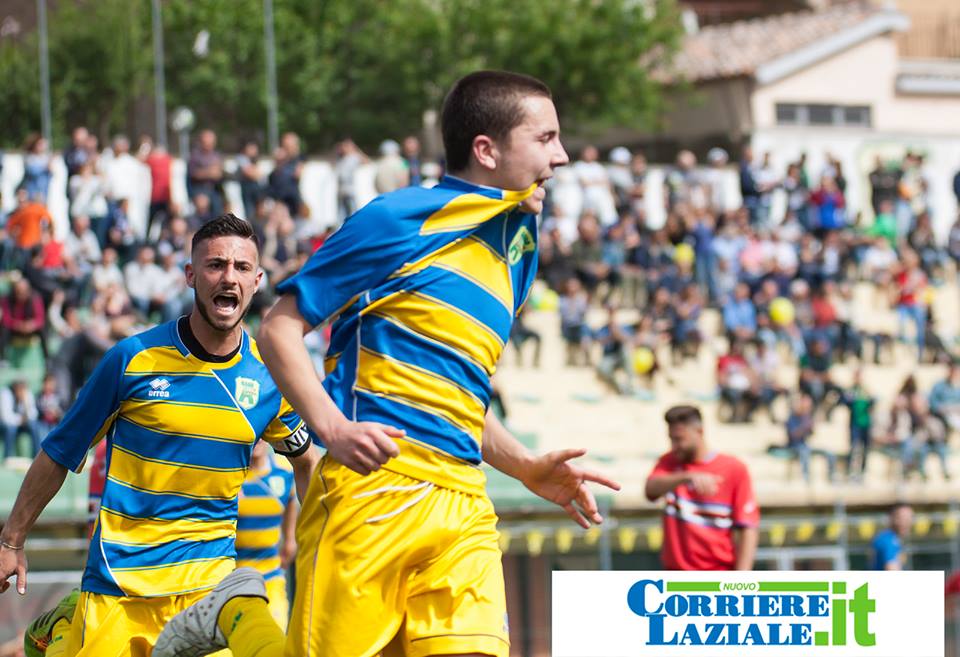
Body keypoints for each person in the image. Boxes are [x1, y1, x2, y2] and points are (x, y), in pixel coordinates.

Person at [155, 69, 619, 657]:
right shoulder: (398, 219)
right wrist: (332, 428)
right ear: (488, 150)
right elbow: (279, 330)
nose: (563, 155)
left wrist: (524, 465)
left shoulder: (518, 248)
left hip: (464, 504)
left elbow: (458, 393)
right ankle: (240, 613)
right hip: (374, 493)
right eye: (546, 138)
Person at [1, 215, 321, 656]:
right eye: (215, 265)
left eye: (242, 267)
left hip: (208, 592)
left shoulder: (269, 381)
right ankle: (64, 625)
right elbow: (59, 452)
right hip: (120, 587)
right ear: (191, 275)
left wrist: (329, 539)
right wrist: (11, 541)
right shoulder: (131, 359)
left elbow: (308, 463)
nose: (229, 276)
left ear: (257, 279)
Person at [645, 405, 759, 570]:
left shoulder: (734, 469)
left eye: (679, 439)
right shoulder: (668, 463)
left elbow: (747, 527)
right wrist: (686, 477)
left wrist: (742, 580)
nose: (674, 445)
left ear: (699, 431)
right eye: (671, 439)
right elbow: (650, 490)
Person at [235, 439, 299, 631]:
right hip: (231, 579)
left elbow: (290, 502)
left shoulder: (284, 471)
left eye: (264, 433)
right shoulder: (229, 476)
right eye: (256, 434)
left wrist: (289, 539)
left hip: (269, 576)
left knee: (276, 636)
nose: (259, 440)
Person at [871, 503, 912, 570]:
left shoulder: (887, 538)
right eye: (902, 518)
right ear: (891, 518)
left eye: (909, 518)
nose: (907, 522)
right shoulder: (889, 541)